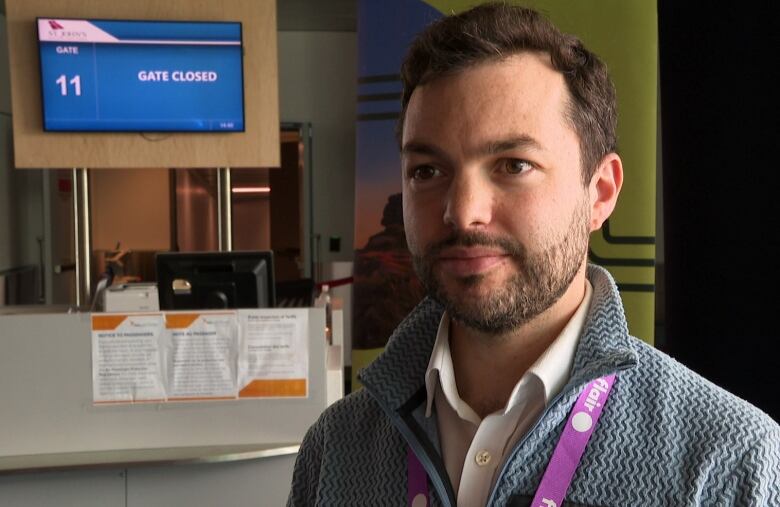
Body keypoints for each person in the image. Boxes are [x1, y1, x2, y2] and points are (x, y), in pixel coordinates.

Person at [288, 3, 780, 506]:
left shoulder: (727, 460)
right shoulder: (334, 450)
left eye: (513, 164)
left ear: (601, 193)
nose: (463, 212)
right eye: (427, 171)